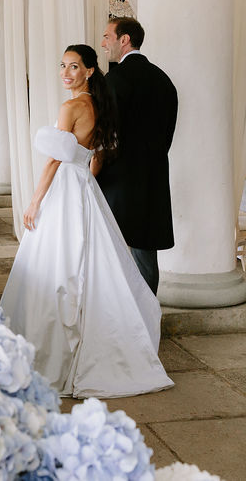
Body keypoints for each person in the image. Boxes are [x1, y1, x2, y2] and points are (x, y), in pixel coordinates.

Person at [0, 44, 173, 398]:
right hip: (84, 185)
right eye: (63, 65)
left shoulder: (71, 107)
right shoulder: (100, 106)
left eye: (74, 66)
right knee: (89, 262)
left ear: (90, 70)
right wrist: (86, 182)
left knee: (59, 262)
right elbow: (97, 156)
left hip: (66, 184)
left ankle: (55, 353)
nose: (66, 73)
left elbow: (53, 161)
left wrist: (35, 201)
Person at [98, 17, 178, 294]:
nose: (103, 43)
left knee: (113, 251)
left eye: (107, 36)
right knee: (145, 253)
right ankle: (148, 313)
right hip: (153, 176)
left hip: (118, 179)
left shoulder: (114, 80)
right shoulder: (163, 80)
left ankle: (121, 313)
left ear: (124, 40)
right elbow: (167, 133)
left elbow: (106, 133)